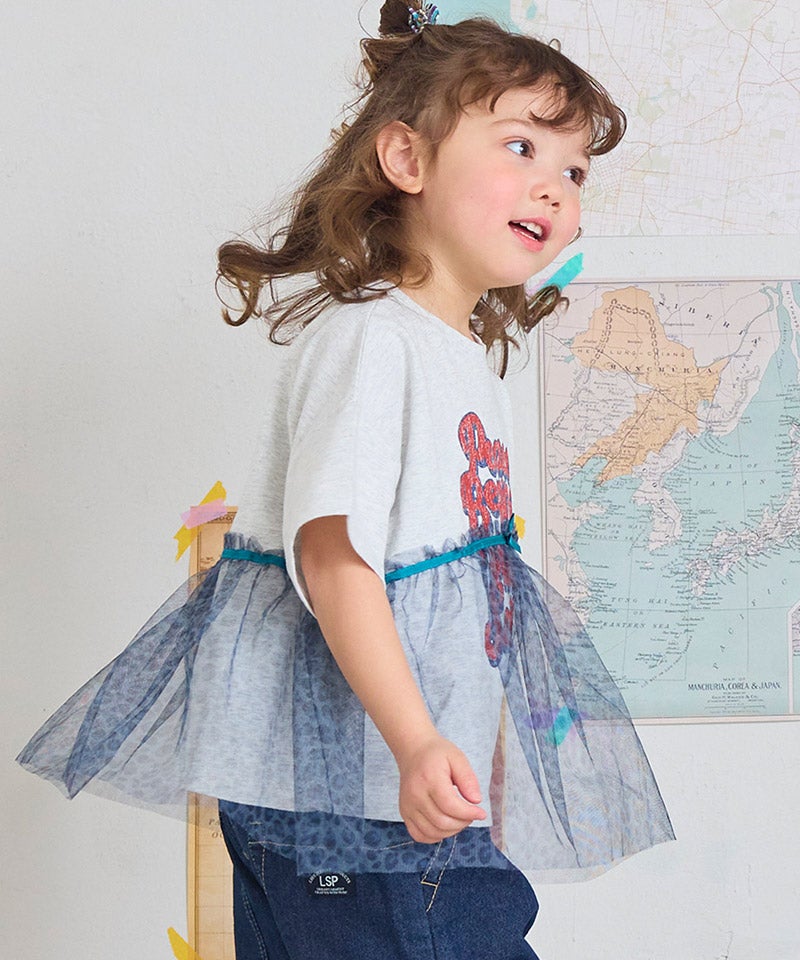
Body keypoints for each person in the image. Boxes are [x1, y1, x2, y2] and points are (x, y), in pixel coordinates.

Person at [18, 2, 674, 957]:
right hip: (351, 792)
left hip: (385, 787)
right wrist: (416, 741)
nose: (556, 187)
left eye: (575, 171)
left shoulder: (457, 354)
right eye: (521, 147)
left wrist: (455, 740)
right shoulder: (375, 343)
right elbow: (332, 560)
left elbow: (452, 590)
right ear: (406, 160)